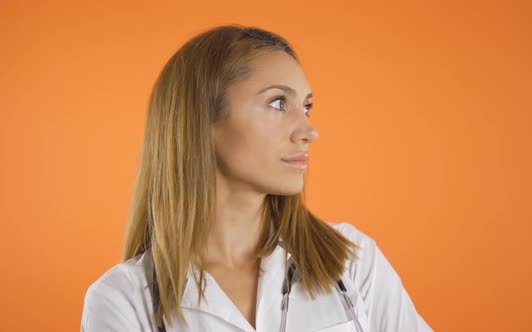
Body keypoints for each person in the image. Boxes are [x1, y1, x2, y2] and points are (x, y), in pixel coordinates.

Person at [80, 24, 433, 332]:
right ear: (201, 120)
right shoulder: (122, 301)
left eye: (306, 106)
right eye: (279, 103)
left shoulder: (351, 259)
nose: (308, 131)